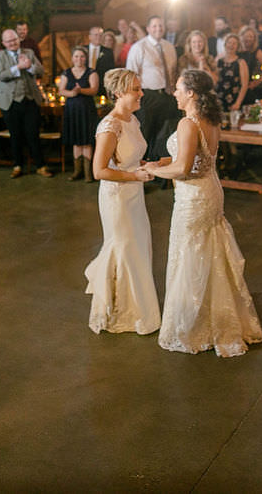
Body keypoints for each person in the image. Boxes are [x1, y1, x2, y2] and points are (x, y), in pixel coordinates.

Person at [145, 70, 262, 357]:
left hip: (193, 197)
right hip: (210, 189)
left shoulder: (188, 123)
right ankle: (220, 317)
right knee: (209, 252)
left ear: (191, 93)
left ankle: (193, 324)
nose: (173, 93)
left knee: (189, 255)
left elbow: (183, 168)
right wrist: (163, 160)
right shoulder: (210, 120)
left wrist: (152, 169)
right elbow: (198, 159)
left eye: (178, 89)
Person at [84, 69, 160, 335]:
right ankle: (119, 310)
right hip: (116, 197)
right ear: (118, 93)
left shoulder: (133, 121)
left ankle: (139, 308)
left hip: (134, 195)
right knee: (123, 248)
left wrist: (149, 164)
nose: (141, 94)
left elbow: (129, 158)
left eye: (140, 88)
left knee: (137, 248)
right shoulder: (110, 126)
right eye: (135, 90)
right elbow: (99, 171)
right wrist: (133, 175)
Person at [0, 28, 54, 178]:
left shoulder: (29, 52)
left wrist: (30, 66)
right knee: (15, 135)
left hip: (30, 99)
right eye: (8, 41)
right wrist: (18, 67)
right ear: (4, 43)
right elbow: (0, 75)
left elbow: (41, 71)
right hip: (10, 101)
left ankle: (40, 166)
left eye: (14, 39)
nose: (12, 43)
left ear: (18, 39)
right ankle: (17, 165)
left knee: (33, 133)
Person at [126, 15, 179, 160]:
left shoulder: (169, 47)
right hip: (147, 96)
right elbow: (131, 74)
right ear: (148, 28)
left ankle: (159, 169)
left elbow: (173, 72)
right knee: (145, 133)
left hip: (167, 95)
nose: (158, 29)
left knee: (164, 134)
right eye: (154, 26)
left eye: (160, 25)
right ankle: (141, 166)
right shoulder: (139, 47)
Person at [60, 45, 100, 181]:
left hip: (86, 110)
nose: (79, 59)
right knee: (76, 142)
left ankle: (88, 173)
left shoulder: (91, 72)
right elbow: (61, 90)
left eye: (82, 56)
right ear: (72, 58)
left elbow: (94, 90)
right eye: (76, 56)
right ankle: (78, 171)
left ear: (86, 58)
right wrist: (72, 93)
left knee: (86, 141)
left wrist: (80, 91)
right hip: (72, 110)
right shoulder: (67, 72)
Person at [216, 33, 249, 114]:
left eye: (234, 43)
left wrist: (238, 103)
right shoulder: (218, 60)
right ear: (225, 44)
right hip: (219, 99)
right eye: (229, 42)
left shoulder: (241, 62)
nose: (231, 45)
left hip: (234, 99)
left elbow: (244, 85)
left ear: (237, 47)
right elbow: (214, 79)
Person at [85, 26, 115, 92]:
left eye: (100, 35)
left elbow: (110, 71)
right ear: (90, 37)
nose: (98, 37)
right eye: (96, 35)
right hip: (84, 84)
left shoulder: (108, 52)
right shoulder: (83, 50)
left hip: (101, 86)